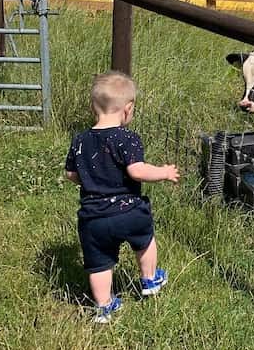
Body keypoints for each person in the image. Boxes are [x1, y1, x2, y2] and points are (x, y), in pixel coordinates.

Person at [64, 71, 179, 323]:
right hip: (129, 211)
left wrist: (91, 178)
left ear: (94, 107)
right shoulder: (127, 138)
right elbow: (136, 171)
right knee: (145, 241)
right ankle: (149, 280)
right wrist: (163, 172)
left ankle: (104, 306)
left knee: (99, 263)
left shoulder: (80, 140)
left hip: (93, 217)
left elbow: (71, 174)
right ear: (127, 109)